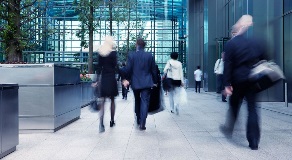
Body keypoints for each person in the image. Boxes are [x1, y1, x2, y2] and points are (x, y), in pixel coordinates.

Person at [220, 15, 266, 150]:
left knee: (234, 105)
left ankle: (229, 128)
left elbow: (228, 65)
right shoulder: (255, 43)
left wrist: (227, 85)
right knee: (253, 109)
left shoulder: (231, 44)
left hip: (237, 80)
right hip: (252, 79)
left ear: (237, 28)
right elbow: (264, 59)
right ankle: (254, 141)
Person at [121, 38, 158, 130]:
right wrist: (155, 81)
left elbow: (128, 69)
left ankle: (138, 119)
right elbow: (154, 70)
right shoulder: (149, 56)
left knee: (137, 100)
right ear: (144, 45)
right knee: (145, 102)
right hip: (147, 82)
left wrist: (125, 78)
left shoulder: (132, 55)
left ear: (137, 44)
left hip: (135, 82)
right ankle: (142, 123)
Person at [97, 36, 119, 133]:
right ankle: (112, 121)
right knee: (112, 100)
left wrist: (96, 80)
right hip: (111, 78)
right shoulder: (113, 53)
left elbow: (98, 67)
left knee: (103, 101)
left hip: (104, 78)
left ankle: (101, 123)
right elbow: (115, 65)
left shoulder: (101, 52)